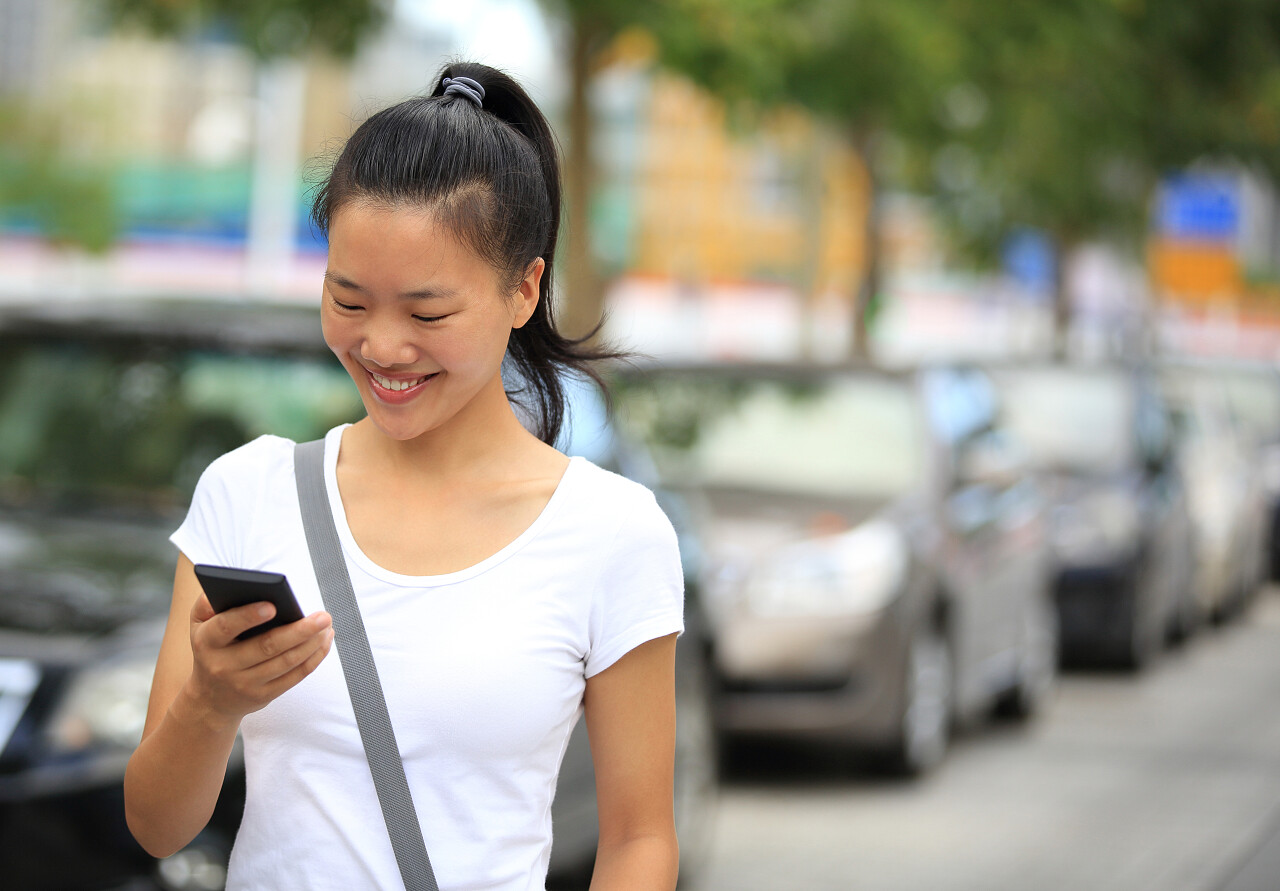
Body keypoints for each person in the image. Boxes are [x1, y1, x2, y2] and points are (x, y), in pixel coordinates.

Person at [124, 62, 685, 891]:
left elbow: (639, 839)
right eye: (347, 301)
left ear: (524, 288)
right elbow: (156, 825)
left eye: (428, 313)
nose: (383, 347)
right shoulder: (248, 492)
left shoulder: (611, 531)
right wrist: (211, 702)